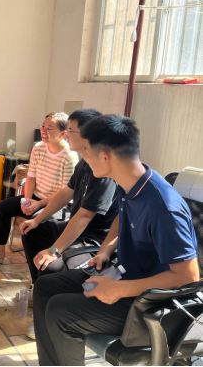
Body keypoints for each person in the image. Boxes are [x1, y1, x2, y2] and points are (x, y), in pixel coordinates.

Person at [34, 114, 199, 366]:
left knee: (60, 311)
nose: (84, 160)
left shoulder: (164, 207)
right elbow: (122, 218)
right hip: (127, 276)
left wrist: (120, 289)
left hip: (154, 302)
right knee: (46, 287)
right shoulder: (131, 182)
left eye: (87, 153)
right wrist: (105, 250)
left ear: (104, 157)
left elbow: (188, 277)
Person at [17, 109, 118, 340]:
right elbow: (66, 193)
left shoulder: (103, 170)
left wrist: (54, 250)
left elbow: (84, 217)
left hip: (95, 238)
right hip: (78, 227)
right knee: (32, 231)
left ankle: (47, 310)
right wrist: (37, 219)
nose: (66, 135)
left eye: (71, 131)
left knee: (52, 265)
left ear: (88, 135)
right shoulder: (85, 163)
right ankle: (40, 290)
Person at [0, 112, 78, 263]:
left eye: (49, 128)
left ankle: (37, 263)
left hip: (57, 203)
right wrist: (28, 200)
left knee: (33, 226)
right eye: (43, 126)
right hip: (36, 197)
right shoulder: (38, 148)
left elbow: (65, 193)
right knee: (2, 207)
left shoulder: (69, 156)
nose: (44, 131)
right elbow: (31, 177)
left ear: (63, 133)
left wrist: (39, 204)